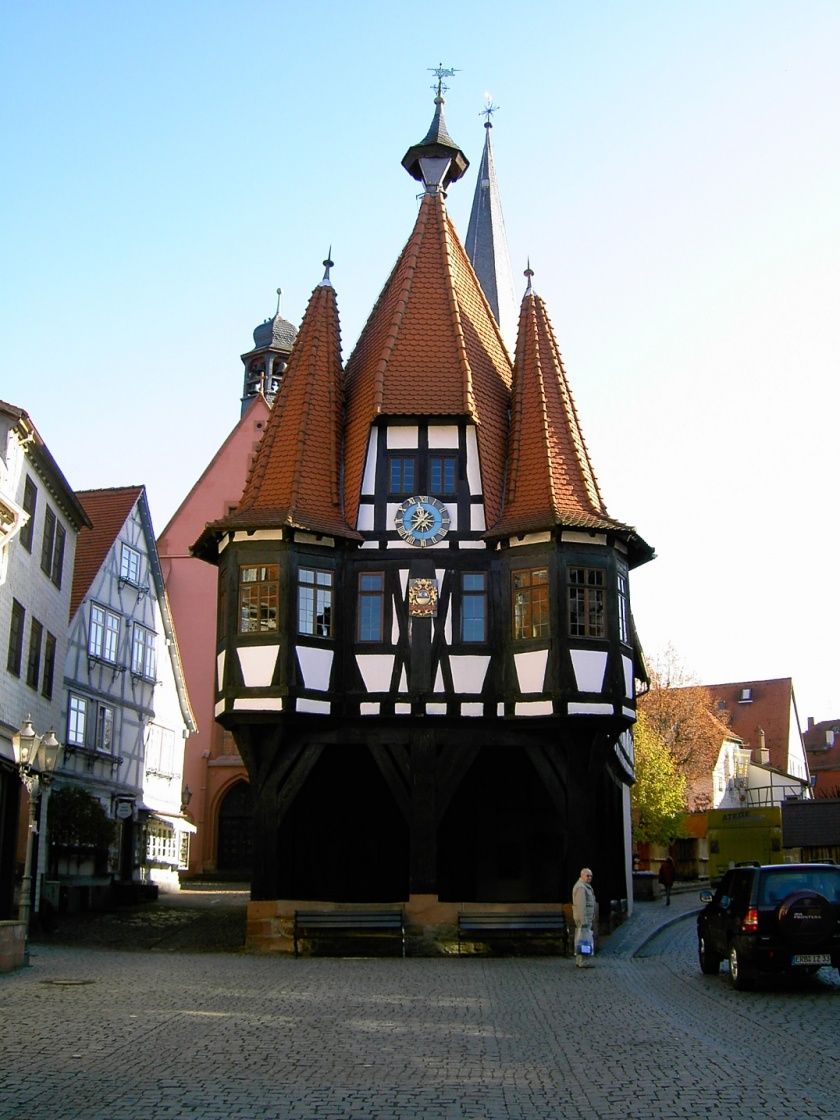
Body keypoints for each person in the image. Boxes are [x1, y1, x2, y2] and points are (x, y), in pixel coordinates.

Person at [572, 867, 596, 967]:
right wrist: (584, 919)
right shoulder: (581, 887)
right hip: (583, 919)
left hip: (585, 918)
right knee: (584, 940)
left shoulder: (585, 886)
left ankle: (579, 960)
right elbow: (581, 905)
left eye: (591, 876)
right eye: (587, 875)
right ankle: (583, 961)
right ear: (582, 875)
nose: (589, 877)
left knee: (581, 939)